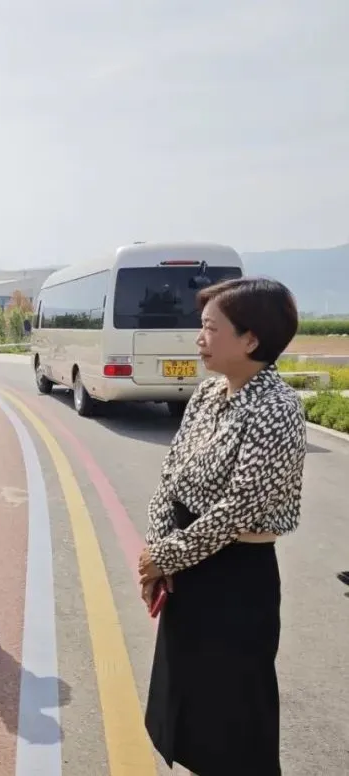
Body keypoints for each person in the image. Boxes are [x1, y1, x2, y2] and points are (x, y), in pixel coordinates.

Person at [139, 277, 306, 776]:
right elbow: (170, 476)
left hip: (235, 578)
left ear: (251, 339)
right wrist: (159, 550)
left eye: (211, 328)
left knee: (234, 714)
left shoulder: (278, 409)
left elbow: (238, 510)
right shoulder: (208, 393)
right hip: (187, 566)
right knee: (188, 701)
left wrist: (164, 557)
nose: (199, 338)